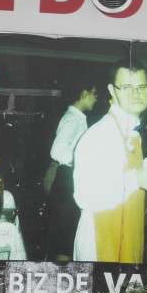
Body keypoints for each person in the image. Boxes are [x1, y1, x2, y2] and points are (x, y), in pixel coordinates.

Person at [72, 64, 147, 264]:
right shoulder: (99, 135)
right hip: (101, 242)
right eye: (127, 87)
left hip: (128, 231)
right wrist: (136, 180)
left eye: (141, 87)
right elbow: (85, 197)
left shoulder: (131, 132)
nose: (136, 94)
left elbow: (128, 172)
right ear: (112, 90)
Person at [43, 84, 97, 261]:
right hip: (67, 182)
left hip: (69, 180)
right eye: (94, 94)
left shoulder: (78, 117)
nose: (96, 99)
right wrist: (80, 162)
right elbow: (56, 151)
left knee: (66, 237)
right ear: (84, 93)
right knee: (64, 240)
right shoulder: (73, 119)